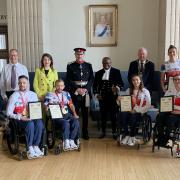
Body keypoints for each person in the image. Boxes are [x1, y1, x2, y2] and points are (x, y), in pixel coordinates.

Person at [6, 75, 44, 159]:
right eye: (20, 83)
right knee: (30, 124)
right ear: (18, 84)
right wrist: (20, 117)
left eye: (24, 83)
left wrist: (36, 115)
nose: (22, 85)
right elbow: (8, 113)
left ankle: (36, 146)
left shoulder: (33, 95)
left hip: (31, 117)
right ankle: (29, 147)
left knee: (39, 123)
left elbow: (36, 108)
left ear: (27, 84)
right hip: (19, 119)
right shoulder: (14, 96)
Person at [44, 79, 80, 151]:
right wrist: (47, 107)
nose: (60, 87)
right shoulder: (49, 94)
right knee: (65, 123)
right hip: (56, 116)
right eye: (58, 86)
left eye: (61, 86)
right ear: (55, 86)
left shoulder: (66, 94)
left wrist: (75, 114)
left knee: (76, 121)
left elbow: (71, 105)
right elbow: (45, 106)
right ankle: (66, 141)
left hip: (66, 114)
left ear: (64, 86)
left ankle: (71, 140)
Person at [66, 48, 94, 140]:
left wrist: (85, 89)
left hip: (86, 93)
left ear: (83, 55)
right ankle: (76, 133)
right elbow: (69, 79)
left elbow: (91, 79)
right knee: (75, 113)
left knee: (86, 113)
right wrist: (77, 89)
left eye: (81, 54)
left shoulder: (88, 65)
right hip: (75, 93)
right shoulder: (70, 66)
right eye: (77, 54)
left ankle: (85, 132)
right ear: (75, 55)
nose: (79, 56)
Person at [93, 57, 124, 139]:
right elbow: (95, 86)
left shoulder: (116, 72)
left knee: (113, 115)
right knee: (103, 115)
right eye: (104, 63)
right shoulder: (98, 73)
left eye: (108, 63)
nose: (106, 65)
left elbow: (121, 84)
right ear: (102, 63)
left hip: (113, 97)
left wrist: (117, 87)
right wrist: (96, 95)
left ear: (111, 63)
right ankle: (103, 132)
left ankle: (114, 132)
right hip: (102, 97)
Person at [117, 75, 151, 146]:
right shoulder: (129, 90)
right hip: (128, 111)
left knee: (133, 116)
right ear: (131, 82)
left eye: (137, 80)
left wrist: (136, 110)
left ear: (140, 81)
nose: (135, 81)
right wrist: (119, 100)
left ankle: (132, 136)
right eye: (133, 80)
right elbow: (124, 103)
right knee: (122, 113)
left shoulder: (145, 91)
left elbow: (148, 105)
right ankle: (126, 134)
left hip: (139, 112)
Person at [155, 74, 180, 152]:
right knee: (160, 116)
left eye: (179, 79)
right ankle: (160, 137)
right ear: (173, 81)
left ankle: (167, 138)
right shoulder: (169, 91)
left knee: (170, 118)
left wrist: (177, 110)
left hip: (178, 114)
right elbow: (164, 103)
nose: (177, 81)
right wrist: (161, 109)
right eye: (175, 79)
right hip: (169, 111)